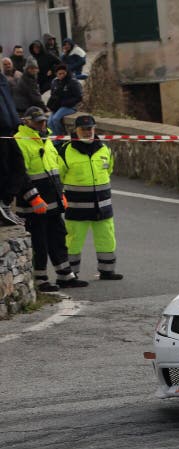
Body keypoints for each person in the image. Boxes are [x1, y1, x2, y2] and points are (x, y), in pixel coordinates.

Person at [14, 106, 87, 290]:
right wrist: (33, 198)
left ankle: (65, 275)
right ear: (26, 121)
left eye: (43, 120)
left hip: (52, 202)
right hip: (34, 205)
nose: (41, 124)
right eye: (37, 121)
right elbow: (21, 175)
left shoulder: (46, 139)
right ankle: (41, 280)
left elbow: (54, 171)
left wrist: (61, 194)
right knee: (40, 242)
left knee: (58, 238)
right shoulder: (20, 141)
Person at [59, 115, 123, 280]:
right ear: (76, 130)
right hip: (76, 208)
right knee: (73, 242)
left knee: (107, 239)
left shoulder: (105, 149)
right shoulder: (66, 151)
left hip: (103, 207)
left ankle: (107, 271)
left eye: (91, 129)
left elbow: (108, 171)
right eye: (84, 129)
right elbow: (59, 176)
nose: (88, 132)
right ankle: (70, 274)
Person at [0, 72, 25, 226]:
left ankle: (5, 203)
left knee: (19, 165)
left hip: (9, 128)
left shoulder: (1, 78)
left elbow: (7, 101)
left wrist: (15, 121)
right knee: (3, 168)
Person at [47, 64, 82, 138]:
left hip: (70, 106)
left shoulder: (72, 82)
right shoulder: (55, 82)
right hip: (58, 106)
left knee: (56, 119)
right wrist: (50, 105)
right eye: (59, 74)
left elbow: (79, 97)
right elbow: (53, 95)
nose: (62, 75)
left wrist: (67, 102)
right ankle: (54, 138)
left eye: (63, 73)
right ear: (56, 74)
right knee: (49, 121)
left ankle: (61, 136)